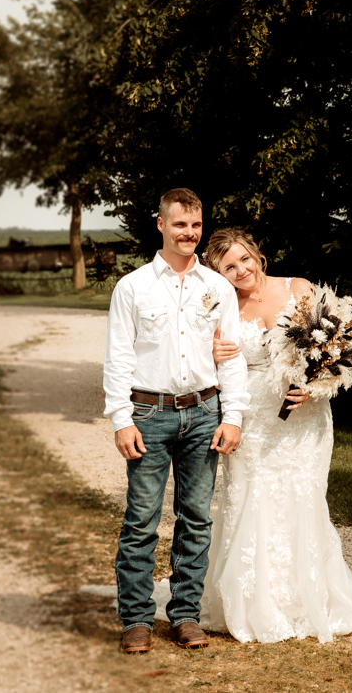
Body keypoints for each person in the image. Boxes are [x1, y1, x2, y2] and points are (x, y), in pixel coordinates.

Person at [199, 227, 352, 644]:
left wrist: (316, 385)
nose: (240, 271)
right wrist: (212, 352)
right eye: (229, 267)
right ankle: (247, 602)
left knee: (302, 495)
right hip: (250, 417)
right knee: (249, 497)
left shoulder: (298, 288)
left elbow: (347, 341)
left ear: (258, 255)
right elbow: (202, 359)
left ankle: (305, 599)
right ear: (219, 273)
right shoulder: (221, 306)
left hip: (306, 419)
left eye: (245, 259)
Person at [103, 189, 249, 654]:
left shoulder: (218, 287)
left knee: (196, 520)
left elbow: (232, 357)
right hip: (150, 413)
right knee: (142, 519)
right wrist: (121, 420)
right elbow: (118, 358)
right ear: (161, 224)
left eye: (196, 225)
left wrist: (235, 416)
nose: (189, 233)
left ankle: (185, 615)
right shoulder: (133, 286)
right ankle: (136, 619)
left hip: (206, 413)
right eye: (180, 224)